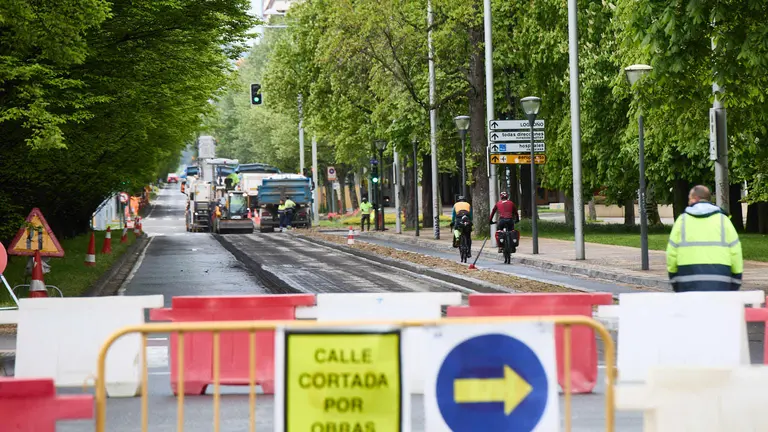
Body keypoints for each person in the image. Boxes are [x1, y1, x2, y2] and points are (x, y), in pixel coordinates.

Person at [666, 185, 743, 292]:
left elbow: (671, 253)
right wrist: (736, 280)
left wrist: (674, 279)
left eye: (690, 199)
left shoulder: (682, 221)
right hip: (721, 280)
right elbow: (735, 252)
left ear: (696, 199)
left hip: (687, 280)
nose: (688, 202)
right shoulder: (723, 220)